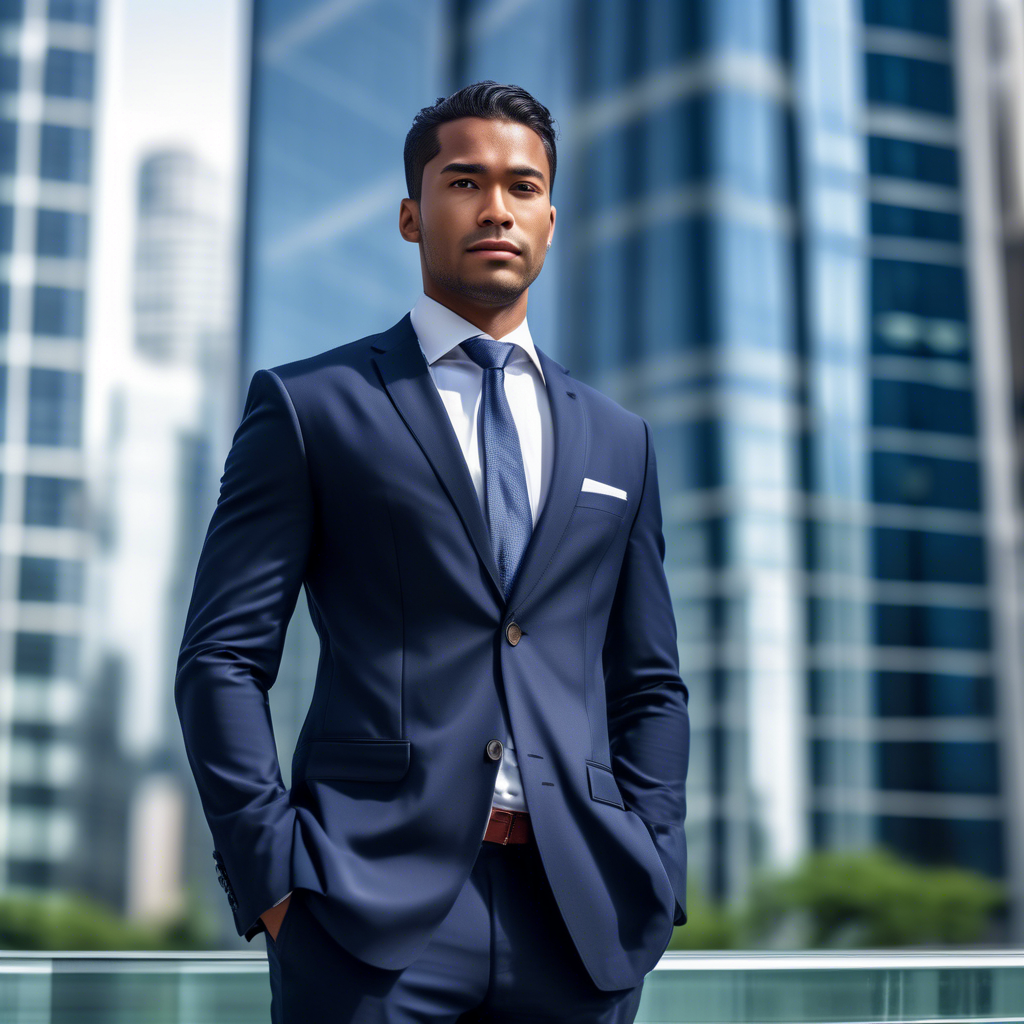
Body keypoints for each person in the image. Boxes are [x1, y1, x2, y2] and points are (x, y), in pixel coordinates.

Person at [175, 79, 689, 1023]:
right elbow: (222, 658)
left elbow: (650, 683)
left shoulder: (622, 440)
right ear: (413, 215)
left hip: (581, 909)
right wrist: (273, 876)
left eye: (523, 186)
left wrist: (655, 858)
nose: (496, 207)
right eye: (465, 182)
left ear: (551, 217)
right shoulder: (311, 405)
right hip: (364, 910)